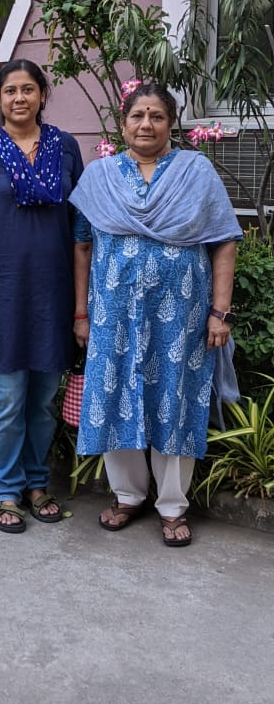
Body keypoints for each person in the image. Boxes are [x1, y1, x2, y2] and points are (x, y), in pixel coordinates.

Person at [70, 80, 242, 548]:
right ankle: (128, 495)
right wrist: (81, 313)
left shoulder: (196, 172)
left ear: (172, 124)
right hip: (114, 314)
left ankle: (171, 505)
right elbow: (82, 246)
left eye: (156, 116)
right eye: (136, 116)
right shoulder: (100, 176)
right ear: (122, 124)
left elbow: (224, 241)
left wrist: (219, 313)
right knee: (114, 393)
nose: (146, 124)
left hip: (181, 318)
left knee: (175, 396)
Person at [0, 59, 84, 534]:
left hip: (53, 293)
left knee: (44, 397)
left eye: (29, 89)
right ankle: (5, 490)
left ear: (43, 94)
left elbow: (78, 229)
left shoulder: (66, 148)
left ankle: (36, 482)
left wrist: (82, 304)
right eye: (10, 90)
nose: (20, 98)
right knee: (7, 396)